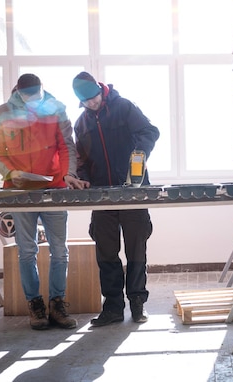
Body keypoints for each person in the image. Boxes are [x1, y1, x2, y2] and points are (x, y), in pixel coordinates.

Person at [0, 73, 89, 330]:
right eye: (27, 97)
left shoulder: (56, 109)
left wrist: (69, 174)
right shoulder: (2, 113)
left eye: (36, 96)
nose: (32, 101)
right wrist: (11, 173)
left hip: (54, 187)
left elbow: (67, 145)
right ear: (18, 93)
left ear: (42, 90)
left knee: (59, 250)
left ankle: (58, 305)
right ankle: (35, 306)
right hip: (20, 191)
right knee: (27, 251)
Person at [72, 71, 160, 327]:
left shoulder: (124, 108)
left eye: (94, 98)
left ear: (101, 90)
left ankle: (137, 304)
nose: (92, 103)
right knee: (106, 253)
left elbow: (150, 131)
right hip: (102, 196)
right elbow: (81, 159)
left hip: (133, 190)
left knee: (136, 250)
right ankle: (112, 308)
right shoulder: (82, 124)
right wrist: (84, 176)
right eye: (86, 101)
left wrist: (139, 154)